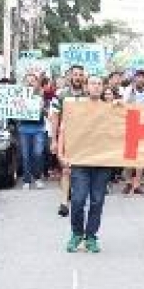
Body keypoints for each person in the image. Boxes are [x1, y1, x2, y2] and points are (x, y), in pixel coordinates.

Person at [62, 75, 113, 253]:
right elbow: (65, 129)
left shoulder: (110, 109)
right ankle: (76, 234)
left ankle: (91, 236)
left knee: (97, 201)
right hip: (80, 162)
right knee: (78, 199)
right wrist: (63, 153)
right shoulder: (76, 108)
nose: (96, 86)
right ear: (87, 87)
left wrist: (121, 108)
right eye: (93, 83)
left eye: (99, 84)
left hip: (102, 162)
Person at [50, 65, 87, 216]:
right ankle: (64, 202)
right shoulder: (60, 94)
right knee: (66, 169)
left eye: (80, 75)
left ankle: (78, 197)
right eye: (75, 74)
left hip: (84, 138)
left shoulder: (88, 94)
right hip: (66, 137)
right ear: (70, 77)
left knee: (81, 170)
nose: (77, 77)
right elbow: (54, 117)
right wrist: (54, 140)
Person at [122, 70, 144, 195]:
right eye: (138, 77)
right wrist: (131, 90)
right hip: (129, 125)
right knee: (128, 156)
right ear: (134, 78)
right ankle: (128, 182)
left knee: (141, 156)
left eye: (143, 77)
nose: (141, 79)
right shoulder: (127, 90)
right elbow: (125, 104)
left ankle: (137, 183)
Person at [19, 72, 48, 190]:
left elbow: (47, 113)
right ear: (24, 82)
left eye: (33, 80)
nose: (30, 82)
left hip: (38, 128)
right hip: (24, 128)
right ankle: (26, 180)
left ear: (37, 83)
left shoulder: (41, 95)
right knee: (26, 156)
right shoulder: (18, 96)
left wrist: (42, 108)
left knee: (38, 154)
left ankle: (37, 178)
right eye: (28, 80)